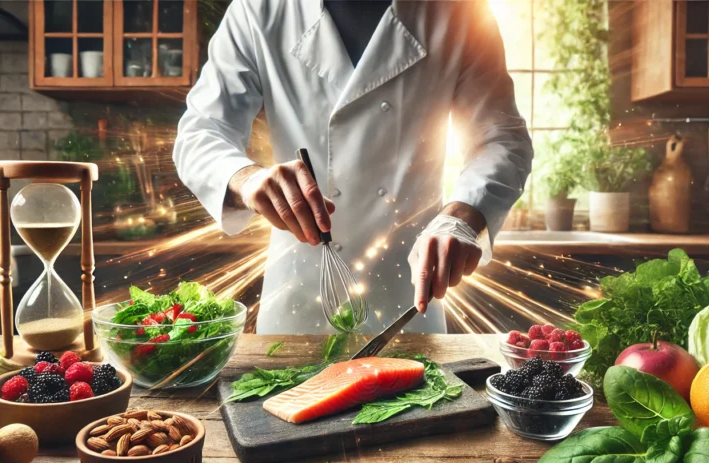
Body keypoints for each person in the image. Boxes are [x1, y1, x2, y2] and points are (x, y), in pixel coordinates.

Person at [174, 0, 532, 334]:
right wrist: (246, 180)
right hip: (296, 295)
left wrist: (463, 215)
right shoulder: (259, 8)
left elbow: (501, 137)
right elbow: (201, 132)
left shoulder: (458, 11)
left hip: (407, 294)